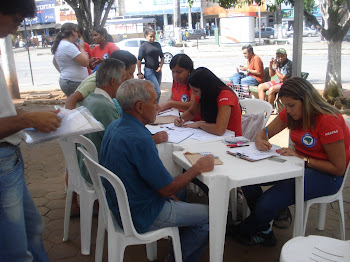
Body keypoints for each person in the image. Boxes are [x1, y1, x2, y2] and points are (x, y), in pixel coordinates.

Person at [99, 79, 214, 262]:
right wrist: (197, 168)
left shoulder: (116, 126)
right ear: (139, 107)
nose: (157, 106)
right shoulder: (140, 138)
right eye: (154, 101)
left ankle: (179, 240)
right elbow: (167, 189)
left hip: (122, 204)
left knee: (181, 190)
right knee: (211, 216)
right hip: (142, 213)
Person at [228, 77, 350, 246]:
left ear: (306, 100)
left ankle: (249, 227)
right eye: (285, 106)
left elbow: (338, 168)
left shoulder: (328, 121)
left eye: (291, 105)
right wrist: (260, 141)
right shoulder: (292, 112)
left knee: (266, 203)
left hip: (327, 176)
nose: (288, 110)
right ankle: (265, 225)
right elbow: (263, 133)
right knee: (247, 179)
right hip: (295, 164)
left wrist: (303, 158)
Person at [0, 1, 62, 260]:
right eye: (15, 20)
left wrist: (30, 117)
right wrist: (29, 121)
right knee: (14, 249)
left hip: (10, 158)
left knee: (33, 227)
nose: (15, 30)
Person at [78, 58, 126, 184]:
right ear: (113, 82)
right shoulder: (104, 106)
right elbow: (122, 144)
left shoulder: (90, 99)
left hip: (87, 164)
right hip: (99, 170)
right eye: (124, 80)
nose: (125, 85)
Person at [174, 67, 242, 136]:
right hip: (212, 135)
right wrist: (181, 119)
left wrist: (200, 124)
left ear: (206, 88)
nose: (193, 94)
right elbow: (192, 112)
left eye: (196, 91)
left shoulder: (225, 95)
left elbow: (219, 130)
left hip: (232, 139)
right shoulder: (203, 94)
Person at [65, 50, 137, 110]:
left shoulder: (109, 79)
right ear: (120, 69)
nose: (132, 77)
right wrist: (71, 118)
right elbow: (72, 98)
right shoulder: (96, 82)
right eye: (130, 73)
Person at [158, 54, 200, 121]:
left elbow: (193, 105)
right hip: (180, 118)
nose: (175, 75)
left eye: (179, 72)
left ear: (188, 70)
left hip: (195, 120)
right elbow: (172, 98)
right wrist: (161, 107)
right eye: (173, 72)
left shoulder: (194, 83)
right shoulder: (176, 82)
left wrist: (170, 104)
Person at [51, 22, 89, 97]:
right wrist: (81, 47)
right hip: (74, 82)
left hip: (68, 80)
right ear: (73, 32)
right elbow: (85, 62)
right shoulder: (68, 46)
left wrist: (64, 72)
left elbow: (54, 61)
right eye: (77, 32)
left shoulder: (61, 44)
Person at [137, 27, 164, 102]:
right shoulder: (144, 46)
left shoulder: (157, 44)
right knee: (157, 92)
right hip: (149, 71)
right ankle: (154, 108)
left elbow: (162, 57)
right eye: (150, 36)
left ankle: (153, 107)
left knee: (154, 91)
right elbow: (139, 60)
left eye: (153, 36)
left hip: (158, 71)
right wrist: (139, 73)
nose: (152, 38)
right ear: (146, 36)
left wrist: (160, 67)